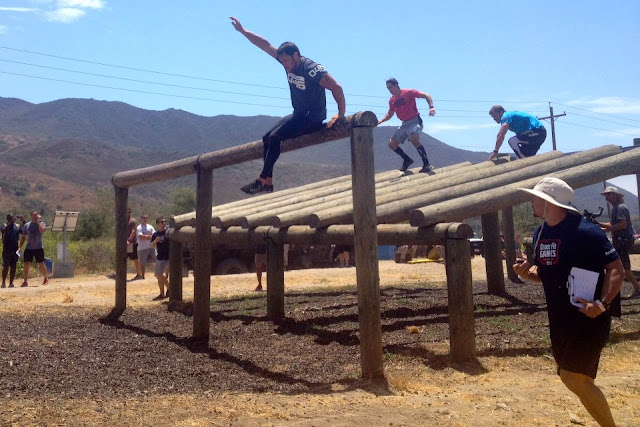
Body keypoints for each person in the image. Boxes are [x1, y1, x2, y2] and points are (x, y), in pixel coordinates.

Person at [513, 177, 623, 427]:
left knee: (572, 376)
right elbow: (545, 274)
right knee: (578, 378)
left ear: (549, 202)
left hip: (588, 316)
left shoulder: (586, 231)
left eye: (536, 197)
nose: (532, 201)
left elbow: (615, 269)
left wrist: (603, 304)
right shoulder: (541, 233)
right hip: (559, 318)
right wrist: (525, 274)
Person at [230, 16, 346, 195]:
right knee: (266, 137)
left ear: (296, 56)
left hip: (313, 117)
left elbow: (336, 87)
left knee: (276, 137)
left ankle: (262, 180)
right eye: (282, 62)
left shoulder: (311, 69)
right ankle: (267, 183)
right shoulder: (286, 60)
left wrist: (340, 113)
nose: (284, 65)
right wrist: (243, 31)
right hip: (299, 114)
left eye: (287, 61)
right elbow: (265, 45)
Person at [378, 78, 436, 173]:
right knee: (392, 144)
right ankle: (407, 160)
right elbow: (390, 113)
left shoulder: (408, 92)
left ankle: (426, 164)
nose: (389, 90)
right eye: (387, 88)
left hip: (414, 121)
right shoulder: (392, 100)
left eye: (391, 87)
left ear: (396, 85)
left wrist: (431, 107)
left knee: (414, 139)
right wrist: (381, 121)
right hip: (404, 124)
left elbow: (426, 95)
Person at [598, 186, 640, 299]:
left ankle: (637, 289)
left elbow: (622, 225)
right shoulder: (616, 207)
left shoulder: (620, 208)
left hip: (623, 240)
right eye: (606, 194)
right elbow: (613, 224)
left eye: (609, 194)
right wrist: (599, 224)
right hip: (621, 240)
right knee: (622, 266)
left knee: (623, 267)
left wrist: (605, 230)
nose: (607, 196)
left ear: (616, 195)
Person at [19, 211, 49, 287]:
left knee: (41, 263)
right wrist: (20, 246)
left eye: (36, 215)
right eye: (33, 215)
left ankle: (46, 279)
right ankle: (25, 281)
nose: (34, 216)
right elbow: (23, 236)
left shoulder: (41, 224)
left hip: (38, 247)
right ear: (31, 215)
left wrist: (38, 222)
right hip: (29, 247)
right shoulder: (27, 225)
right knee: (26, 263)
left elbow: (43, 230)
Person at [150, 216, 170, 300]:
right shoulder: (155, 234)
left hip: (167, 256)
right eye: (162, 222)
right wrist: (155, 241)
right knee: (158, 276)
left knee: (159, 274)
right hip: (159, 257)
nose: (164, 223)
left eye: (165, 221)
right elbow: (152, 246)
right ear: (157, 224)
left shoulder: (168, 233)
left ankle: (170, 288)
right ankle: (161, 294)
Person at [1, 214, 21, 288]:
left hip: (15, 249)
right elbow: (4, 230)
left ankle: (11, 283)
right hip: (7, 249)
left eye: (12, 217)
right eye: (10, 217)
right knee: (6, 266)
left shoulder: (17, 226)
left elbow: (22, 233)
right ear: (7, 218)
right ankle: (3, 282)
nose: (12, 218)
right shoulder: (4, 225)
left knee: (14, 266)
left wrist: (23, 221)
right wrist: (11, 222)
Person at [135, 214, 156, 280]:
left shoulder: (150, 226)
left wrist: (147, 237)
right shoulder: (139, 228)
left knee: (157, 258)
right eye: (144, 218)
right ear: (141, 219)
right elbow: (141, 236)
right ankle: (143, 276)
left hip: (151, 247)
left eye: (146, 218)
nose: (145, 219)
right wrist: (149, 236)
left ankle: (158, 273)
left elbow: (154, 235)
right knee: (142, 263)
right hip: (142, 248)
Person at [127, 208, 143, 281]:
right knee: (123, 257)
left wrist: (129, 240)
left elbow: (133, 232)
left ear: (130, 212)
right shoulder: (125, 221)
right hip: (127, 243)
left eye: (128, 212)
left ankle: (139, 274)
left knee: (135, 259)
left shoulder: (132, 221)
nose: (127, 213)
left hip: (131, 243)